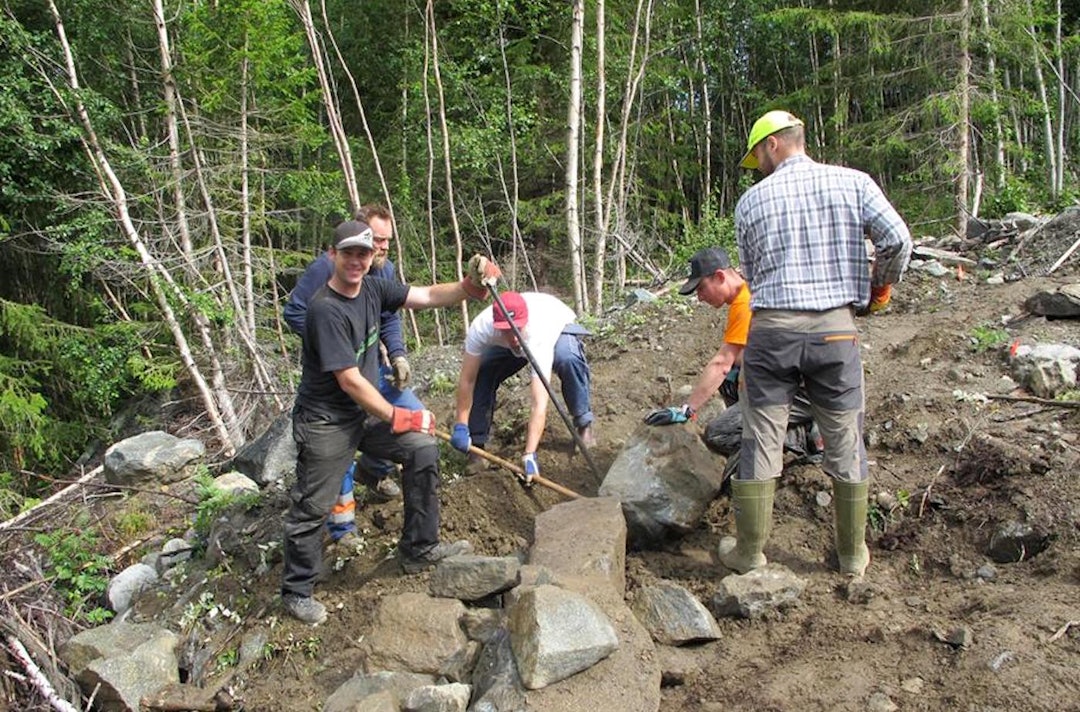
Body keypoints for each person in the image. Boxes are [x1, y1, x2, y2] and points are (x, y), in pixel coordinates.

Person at [281, 218, 501, 624]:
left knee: (422, 449)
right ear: (332, 256)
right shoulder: (324, 311)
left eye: (363, 253)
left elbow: (427, 295)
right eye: (348, 253)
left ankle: (419, 548)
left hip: (364, 414)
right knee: (313, 504)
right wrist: (399, 415)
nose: (356, 261)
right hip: (327, 421)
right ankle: (297, 590)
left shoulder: (375, 286)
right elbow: (349, 381)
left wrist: (469, 287)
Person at [723, 109, 912, 578]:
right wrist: (878, 288)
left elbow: (752, 272)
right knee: (845, 437)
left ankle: (749, 553)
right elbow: (898, 240)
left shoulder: (750, 202)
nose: (758, 168)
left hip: (771, 333)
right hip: (835, 331)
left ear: (773, 146)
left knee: (761, 436)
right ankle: (852, 556)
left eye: (758, 158)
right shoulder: (855, 182)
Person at [284, 205, 422, 549]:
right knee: (337, 445)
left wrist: (398, 352)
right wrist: (335, 345)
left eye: (386, 242)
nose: (382, 248)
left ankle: (374, 471)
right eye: (377, 240)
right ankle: (342, 527)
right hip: (336, 378)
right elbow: (296, 311)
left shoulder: (383, 269)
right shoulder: (326, 269)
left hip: (370, 368)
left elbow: (390, 314)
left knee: (403, 420)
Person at [642, 247, 823, 479]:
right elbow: (742, 355)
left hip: (799, 389)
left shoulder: (745, 303)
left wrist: (687, 410)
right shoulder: (750, 291)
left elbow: (722, 363)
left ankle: (790, 441)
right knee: (731, 381)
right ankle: (790, 427)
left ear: (719, 276)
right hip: (796, 378)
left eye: (701, 288)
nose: (700, 297)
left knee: (719, 433)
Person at [447, 291, 595, 482]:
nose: (513, 336)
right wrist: (461, 425)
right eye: (506, 330)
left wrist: (529, 454)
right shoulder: (482, 328)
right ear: (496, 325)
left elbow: (538, 402)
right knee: (483, 371)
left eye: (515, 328)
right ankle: (476, 447)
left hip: (558, 326)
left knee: (568, 358)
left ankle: (584, 425)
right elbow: (467, 379)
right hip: (513, 341)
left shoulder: (539, 333)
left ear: (524, 321)